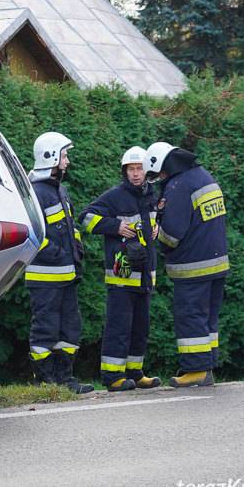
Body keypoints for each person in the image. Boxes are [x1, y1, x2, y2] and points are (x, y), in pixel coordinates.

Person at [144, 142, 229, 387]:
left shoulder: (178, 186)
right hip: (216, 263)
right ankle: (207, 366)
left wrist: (153, 228)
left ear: (163, 166)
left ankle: (196, 370)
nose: (159, 179)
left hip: (193, 266)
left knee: (190, 316)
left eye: (158, 173)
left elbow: (172, 235)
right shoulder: (203, 177)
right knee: (208, 319)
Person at [78, 147, 162, 392]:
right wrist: (114, 226)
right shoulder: (114, 196)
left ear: (147, 171)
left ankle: (135, 373)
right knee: (119, 326)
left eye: (140, 169)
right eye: (131, 169)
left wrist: (157, 228)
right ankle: (113, 377)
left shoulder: (152, 195)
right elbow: (86, 217)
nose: (136, 174)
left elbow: (156, 219)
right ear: (125, 172)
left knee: (140, 327)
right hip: (122, 276)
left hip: (146, 275)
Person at [25, 132, 93, 394]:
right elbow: (33, 233)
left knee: (69, 328)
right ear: (50, 157)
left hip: (65, 275)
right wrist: (58, 254)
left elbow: (69, 227)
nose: (66, 161)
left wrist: (76, 252)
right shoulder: (37, 193)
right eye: (64, 156)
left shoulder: (58, 190)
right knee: (45, 329)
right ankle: (46, 382)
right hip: (44, 278)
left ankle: (65, 380)